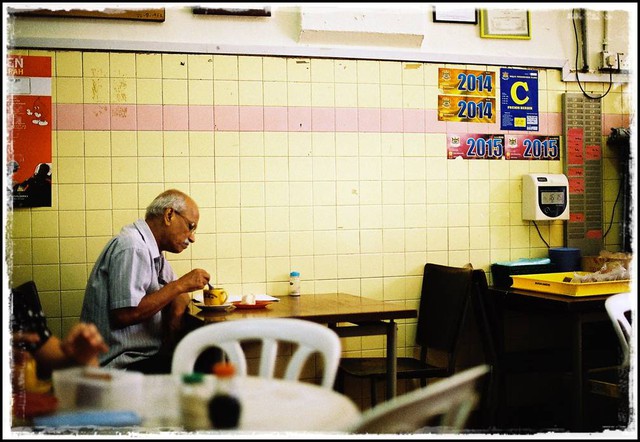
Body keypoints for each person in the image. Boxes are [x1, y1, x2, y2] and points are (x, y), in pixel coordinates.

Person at [81, 189, 211, 374]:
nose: (192, 237)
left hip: (142, 357)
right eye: (190, 226)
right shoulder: (133, 247)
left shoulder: (152, 250)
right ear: (169, 215)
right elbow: (125, 314)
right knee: (209, 361)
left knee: (204, 357)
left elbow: (180, 294)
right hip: (120, 366)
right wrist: (180, 285)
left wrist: (174, 318)